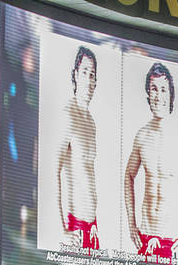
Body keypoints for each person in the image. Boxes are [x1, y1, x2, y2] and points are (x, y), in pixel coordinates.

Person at [124, 61, 178, 263]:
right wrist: (132, 224)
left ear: (170, 94)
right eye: (154, 89)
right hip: (147, 237)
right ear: (148, 93)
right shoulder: (142, 135)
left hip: (173, 239)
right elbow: (129, 175)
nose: (158, 95)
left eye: (163, 89)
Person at [56, 46, 101, 251]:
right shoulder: (68, 115)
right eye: (85, 72)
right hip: (74, 225)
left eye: (93, 75)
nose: (90, 80)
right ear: (75, 74)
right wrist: (61, 229)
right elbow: (52, 171)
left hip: (92, 226)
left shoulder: (90, 121)